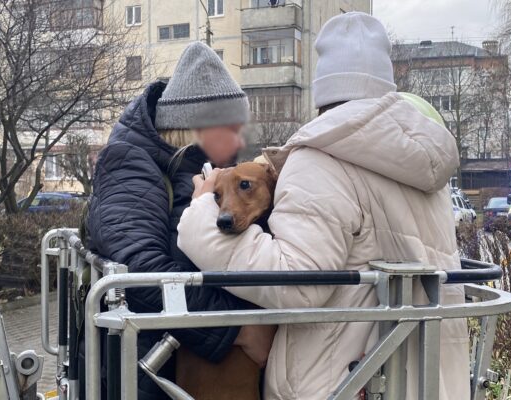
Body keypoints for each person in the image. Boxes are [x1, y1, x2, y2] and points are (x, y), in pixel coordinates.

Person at [177, 12, 469, 400]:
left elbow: (299, 283)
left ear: (322, 89)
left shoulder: (320, 160)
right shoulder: (423, 165)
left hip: (341, 383)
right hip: (426, 379)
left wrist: (199, 216)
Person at [85, 42, 273, 399]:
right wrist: (239, 330)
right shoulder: (129, 163)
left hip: (185, 368)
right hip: (151, 372)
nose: (239, 140)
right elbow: (139, 272)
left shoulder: (200, 169)